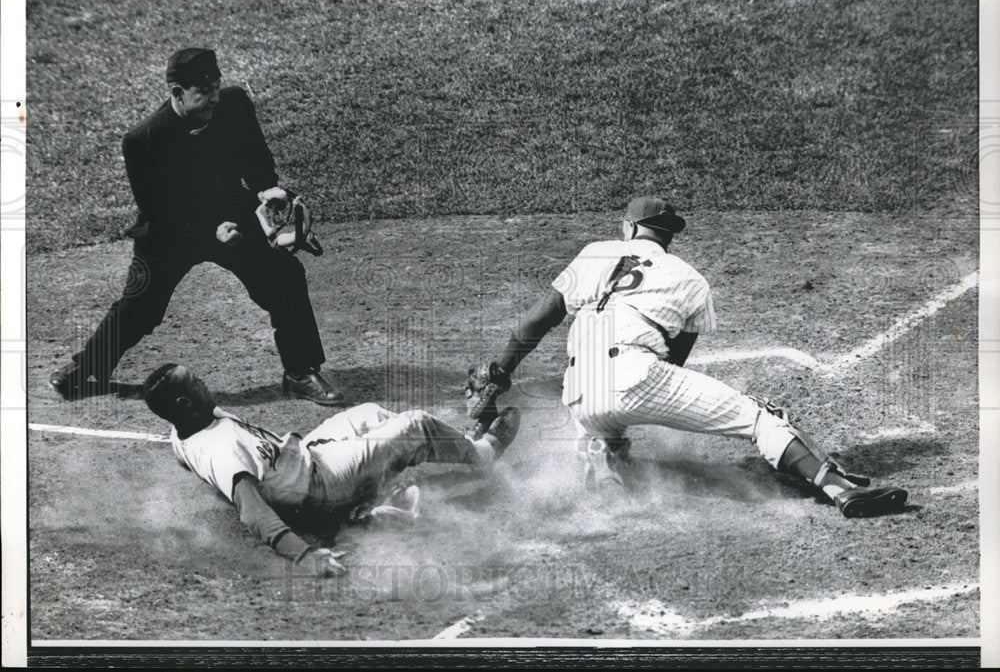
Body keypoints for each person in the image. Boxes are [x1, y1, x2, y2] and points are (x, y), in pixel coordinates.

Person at [472, 196, 908, 519]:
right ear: (668, 237)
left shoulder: (594, 253)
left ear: (627, 228)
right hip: (637, 375)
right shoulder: (691, 279)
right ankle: (839, 488)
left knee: (601, 431)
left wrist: (499, 373)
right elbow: (672, 365)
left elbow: (534, 324)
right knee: (759, 417)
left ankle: (606, 475)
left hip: (578, 392)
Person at [50, 48, 341, 405]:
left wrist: (267, 188)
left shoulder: (234, 104)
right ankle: (88, 367)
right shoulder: (143, 141)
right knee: (139, 308)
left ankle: (299, 372)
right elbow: (158, 210)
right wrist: (210, 233)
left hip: (232, 212)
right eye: (203, 92)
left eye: (216, 87)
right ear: (177, 93)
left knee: (285, 277)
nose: (214, 98)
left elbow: (255, 155)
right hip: (171, 231)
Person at [143, 363, 519, 576]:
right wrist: (305, 554)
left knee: (371, 413)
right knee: (414, 425)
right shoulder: (220, 450)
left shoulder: (184, 431)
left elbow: (191, 463)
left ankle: (382, 489)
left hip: (305, 456)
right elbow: (252, 511)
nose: (205, 380)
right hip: (322, 484)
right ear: (184, 402)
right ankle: (481, 454)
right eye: (197, 381)